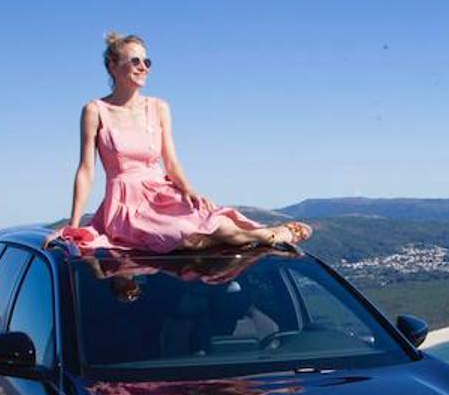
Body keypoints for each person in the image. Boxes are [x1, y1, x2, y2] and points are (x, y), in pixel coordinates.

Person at [61, 31, 311, 252]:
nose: (143, 67)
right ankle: (265, 235)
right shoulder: (95, 110)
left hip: (163, 193)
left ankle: (262, 234)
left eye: (147, 61)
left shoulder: (159, 107)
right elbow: (86, 170)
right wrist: (73, 225)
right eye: (135, 61)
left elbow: (170, 161)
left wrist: (189, 190)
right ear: (112, 66)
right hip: (126, 204)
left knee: (217, 226)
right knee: (186, 238)